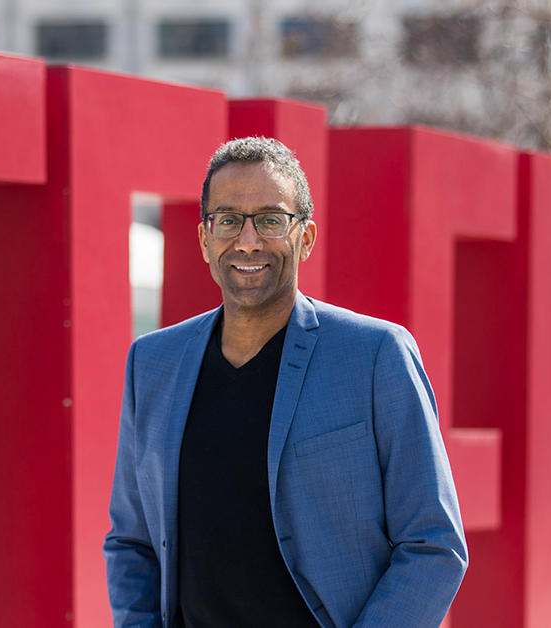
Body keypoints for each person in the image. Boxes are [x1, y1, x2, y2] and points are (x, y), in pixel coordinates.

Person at [104, 137, 467, 628]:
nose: (248, 241)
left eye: (271, 220)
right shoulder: (152, 362)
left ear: (307, 237)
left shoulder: (375, 355)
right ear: (205, 239)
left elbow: (433, 544)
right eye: (228, 220)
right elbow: (132, 541)